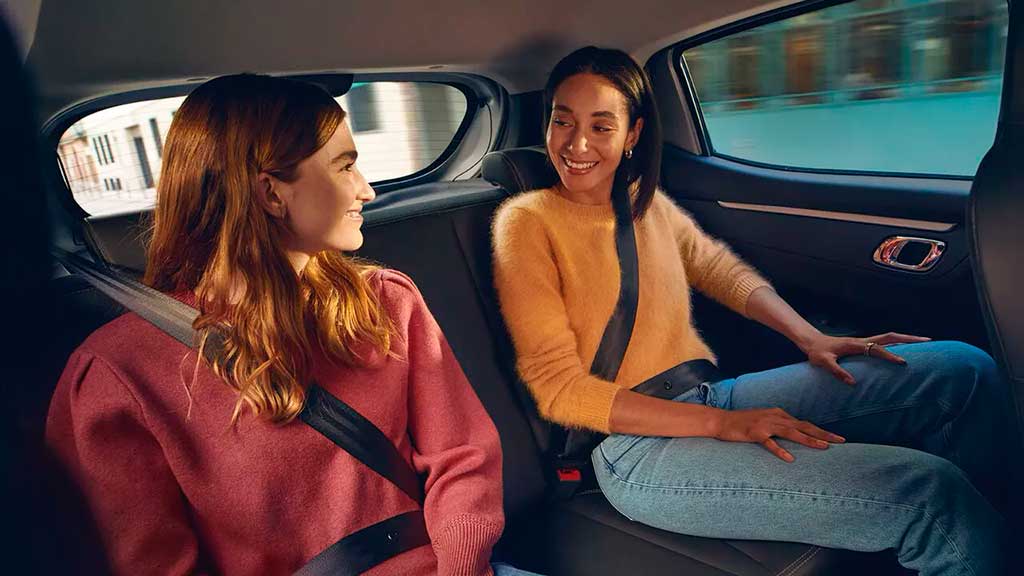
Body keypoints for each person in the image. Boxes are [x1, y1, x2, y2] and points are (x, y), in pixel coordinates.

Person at [492, 46, 1016, 576]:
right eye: (563, 121)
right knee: (928, 495)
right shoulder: (527, 222)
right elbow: (559, 389)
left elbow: (718, 269)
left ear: (633, 134)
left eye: (601, 126)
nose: (577, 144)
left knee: (963, 370)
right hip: (636, 450)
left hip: (705, 392)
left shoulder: (642, 204)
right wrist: (722, 424)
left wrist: (810, 338)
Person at [47, 74, 538, 576]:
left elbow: (463, 457)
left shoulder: (387, 301)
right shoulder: (118, 374)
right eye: (345, 166)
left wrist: (461, 568)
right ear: (271, 193)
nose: (366, 190)